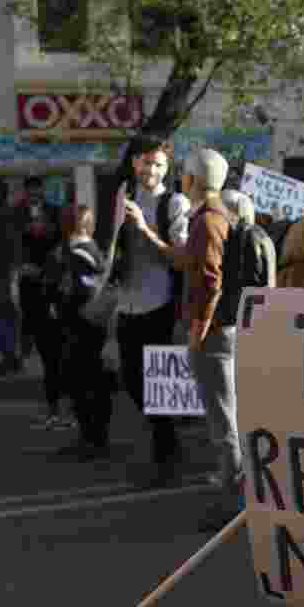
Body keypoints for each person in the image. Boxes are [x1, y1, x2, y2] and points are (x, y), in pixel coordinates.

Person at [115, 137, 192, 487]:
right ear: (134, 163)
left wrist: (144, 228)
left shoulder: (173, 203)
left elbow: (179, 255)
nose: (152, 170)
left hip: (160, 304)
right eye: (147, 163)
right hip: (127, 302)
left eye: (159, 164)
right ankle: (167, 448)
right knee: (131, 381)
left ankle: (167, 461)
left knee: (160, 388)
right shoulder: (120, 198)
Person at [184, 156, 253, 533]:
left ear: (192, 178)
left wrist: (198, 329)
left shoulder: (208, 219)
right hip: (222, 330)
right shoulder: (216, 215)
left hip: (214, 334)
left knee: (223, 421)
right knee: (226, 416)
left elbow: (210, 281)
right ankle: (235, 492)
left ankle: (235, 503)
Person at [47, 205, 113, 461]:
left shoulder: (75, 255)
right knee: (95, 384)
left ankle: (92, 439)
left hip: (80, 327)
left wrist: (58, 304)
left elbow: (76, 292)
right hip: (95, 326)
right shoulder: (95, 251)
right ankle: (95, 437)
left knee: (83, 384)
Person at [14, 175, 68, 429]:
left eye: (38, 191)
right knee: (33, 331)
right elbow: (12, 243)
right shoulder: (15, 214)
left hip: (50, 286)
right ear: (25, 193)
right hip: (26, 285)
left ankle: (56, 404)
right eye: (31, 191)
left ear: (42, 191)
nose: (35, 195)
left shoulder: (54, 212)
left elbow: (60, 244)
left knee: (52, 347)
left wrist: (49, 269)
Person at [0, 178, 23, 375]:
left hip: (4, 275)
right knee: (8, 316)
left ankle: (9, 357)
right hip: (7, 274)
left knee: (5, 316)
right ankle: (11, 357)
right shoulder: (10, 215)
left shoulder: (5, 216)